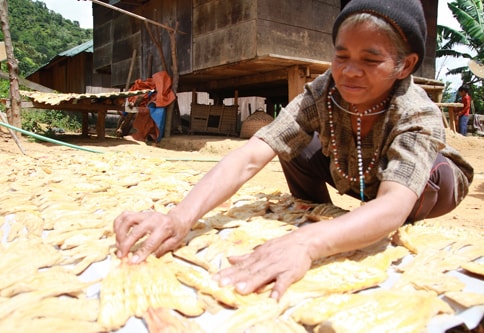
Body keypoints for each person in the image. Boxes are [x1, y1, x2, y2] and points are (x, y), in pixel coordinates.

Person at [113, 0, 474, 301]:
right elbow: (254, 152)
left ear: (404, 65)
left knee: (418, 189)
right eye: (342, 55)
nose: (350, 71)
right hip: (354, 174)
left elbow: (395, 203)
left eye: (370, 60)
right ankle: (324, 217)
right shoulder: (324, 91)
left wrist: (308, 244)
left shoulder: (417, 113)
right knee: (291, 146)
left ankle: (354, 229)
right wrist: (180, 217)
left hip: (422, 189)